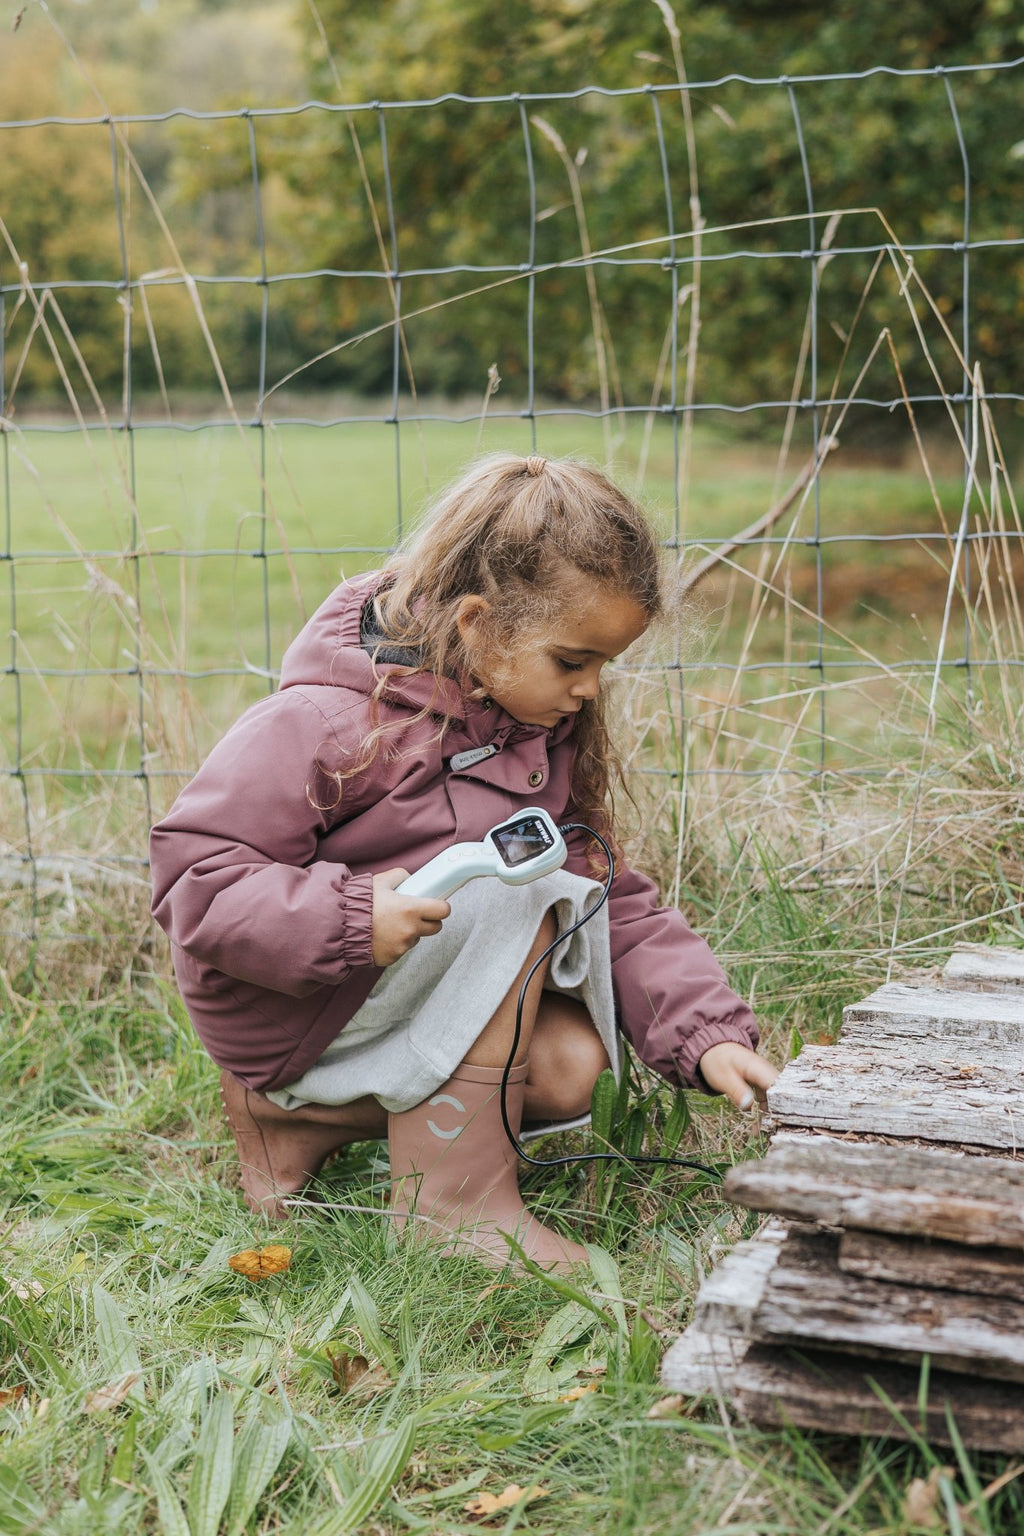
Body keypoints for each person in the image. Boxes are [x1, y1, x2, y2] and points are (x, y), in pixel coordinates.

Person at [150, 452, 777, 1271]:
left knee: (567, 1070)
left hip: (381, 993)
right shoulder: (324, 722)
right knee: (519, 895)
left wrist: (705, 1033)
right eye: (572, 660)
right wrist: (348, 916)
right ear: (478, 625)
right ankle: (452, 1208)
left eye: (603, 666)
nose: (589, 689)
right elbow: (196, 878)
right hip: (294, 1001)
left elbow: (607, 895)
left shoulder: (529, 733)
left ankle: (292, 1124)